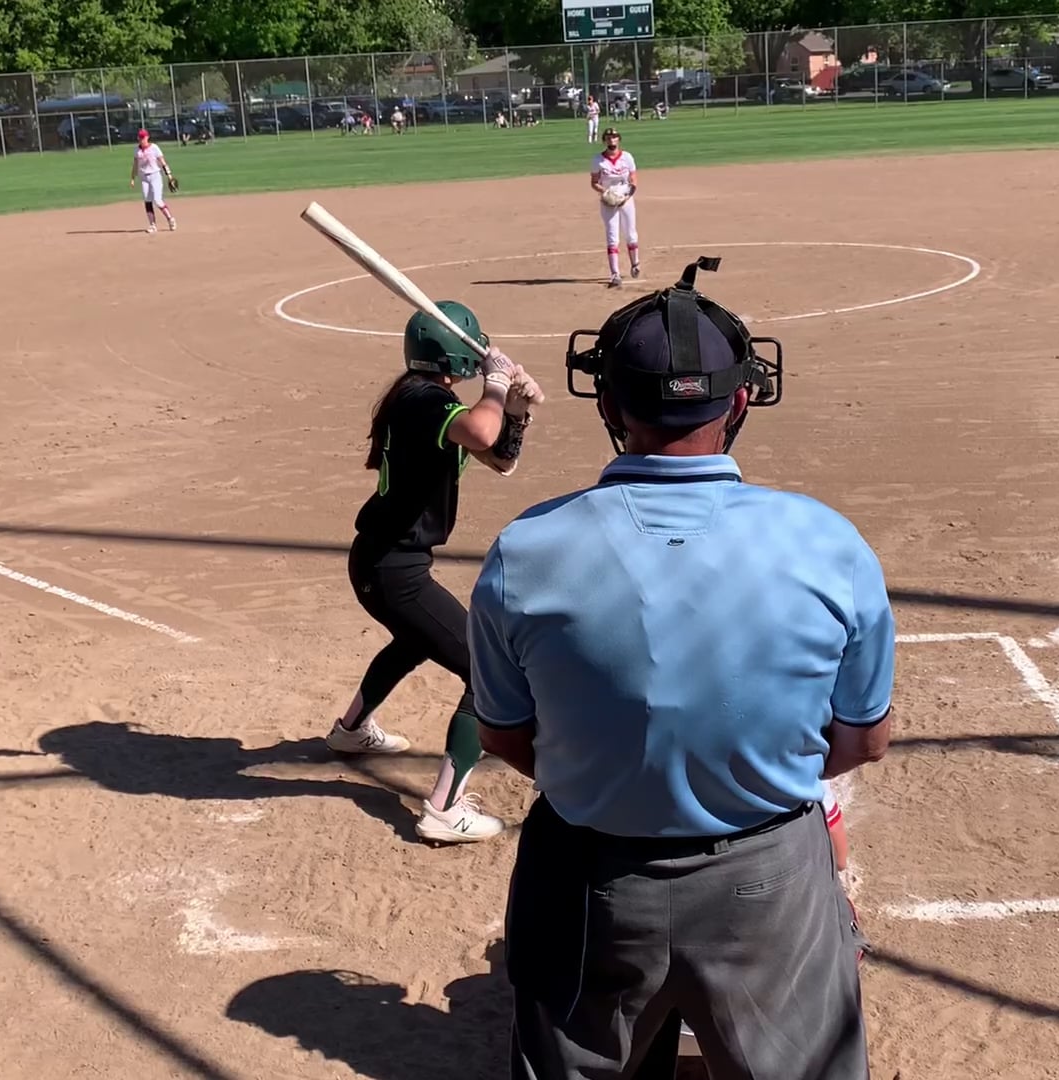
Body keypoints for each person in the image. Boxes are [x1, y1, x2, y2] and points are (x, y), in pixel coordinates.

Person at [471, 257, 894, 1079]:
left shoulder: (525, 551)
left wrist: (617, 776)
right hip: (768, 877)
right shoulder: (827, 541)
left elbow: (506, 736)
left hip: (590, 879)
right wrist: (743, 774)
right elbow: (862, 742)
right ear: (740, 401)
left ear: (608, 405)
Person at [326, 300, 543, 845]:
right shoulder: (427, 401)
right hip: (394, 571)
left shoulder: (417, 396)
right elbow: (483, 433)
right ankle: (445, 808)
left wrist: (515, 409)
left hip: (385, 563)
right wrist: (496, 386)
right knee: (484, 672)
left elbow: (501, 457)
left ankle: (351, 730)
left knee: (415, 640)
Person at [591, 127, 640, 289]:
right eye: (608, 137)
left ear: (619, 139)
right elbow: (594, 182)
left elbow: (633, 179)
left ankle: (635, 264)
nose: (612, 140)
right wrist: (606, 193)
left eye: (614, 137)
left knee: (631, 233)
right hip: (608, 201)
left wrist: (627, 196)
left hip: (626, 199)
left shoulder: (627, 157)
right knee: (612, 236)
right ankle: (615, 274)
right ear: (604, 140)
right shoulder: (598, 160)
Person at [128, 129, 176, 234]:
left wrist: (169, 175)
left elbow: (163, 162)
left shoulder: (154, 148)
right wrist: (132, 178)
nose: (142, 139)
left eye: (143, 137)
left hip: (155, 176)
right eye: (140, 137)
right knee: (147, 200)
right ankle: (152, 225)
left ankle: (170, 219)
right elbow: (135, 165)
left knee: (157, 201)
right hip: (144, 178)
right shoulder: (137, 150)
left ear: (147, 137)